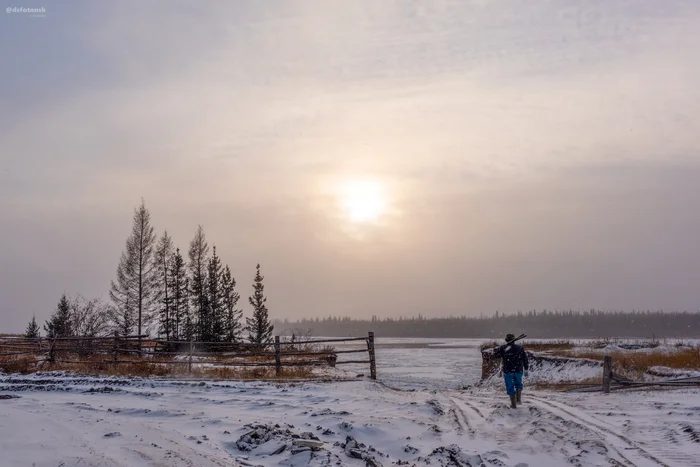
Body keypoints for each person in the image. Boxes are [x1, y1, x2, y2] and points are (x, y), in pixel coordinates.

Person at [492, 333, 529, 408]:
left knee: (510, 386)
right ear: (514, 340)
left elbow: (495, 356)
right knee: (518, 384)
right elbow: (525, 359)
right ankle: (518, 400)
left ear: (506, 340)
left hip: (508, 371)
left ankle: (513, 404)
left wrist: (496, 350)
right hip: (518, 370)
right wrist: (526, 369)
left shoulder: (503, 348)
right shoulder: (520, 348)